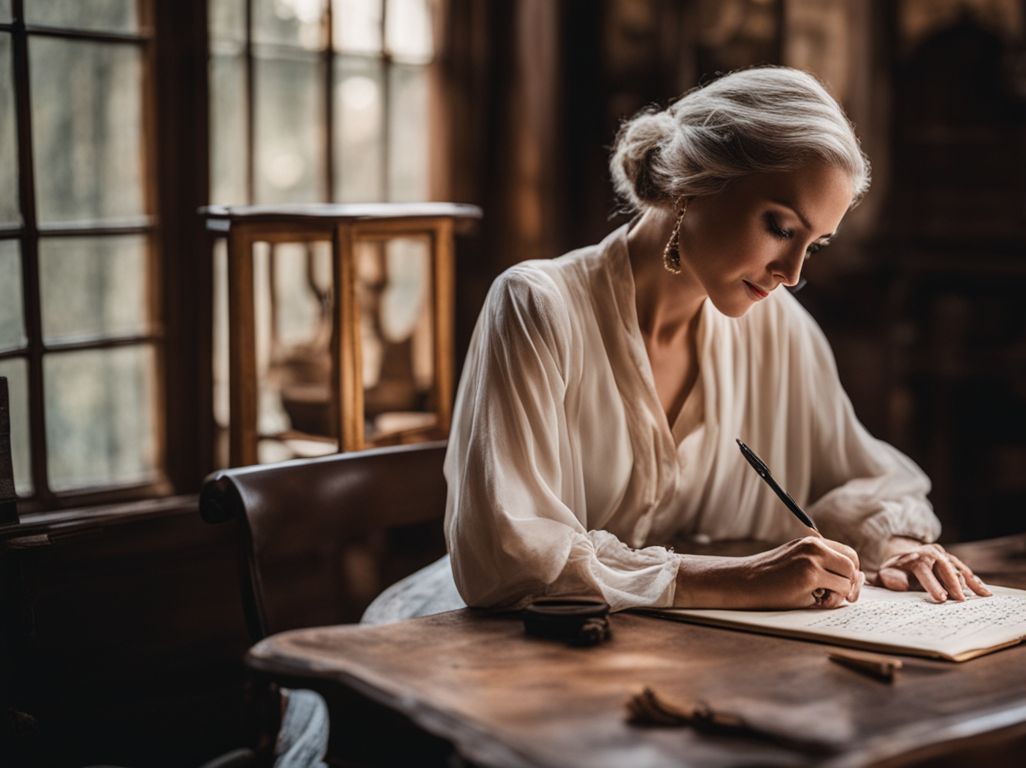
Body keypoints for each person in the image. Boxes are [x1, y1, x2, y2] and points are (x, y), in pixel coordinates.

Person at [273, 64, 988, 767]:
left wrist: (891, 545)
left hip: (674, 663)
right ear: (690, 186)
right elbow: (508, 559)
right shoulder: (537, 307)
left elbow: (859, 473)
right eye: (780, 227)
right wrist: (733, 580)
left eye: (815, 245)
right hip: (488, 656)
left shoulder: (777, 327)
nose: (793, 272)